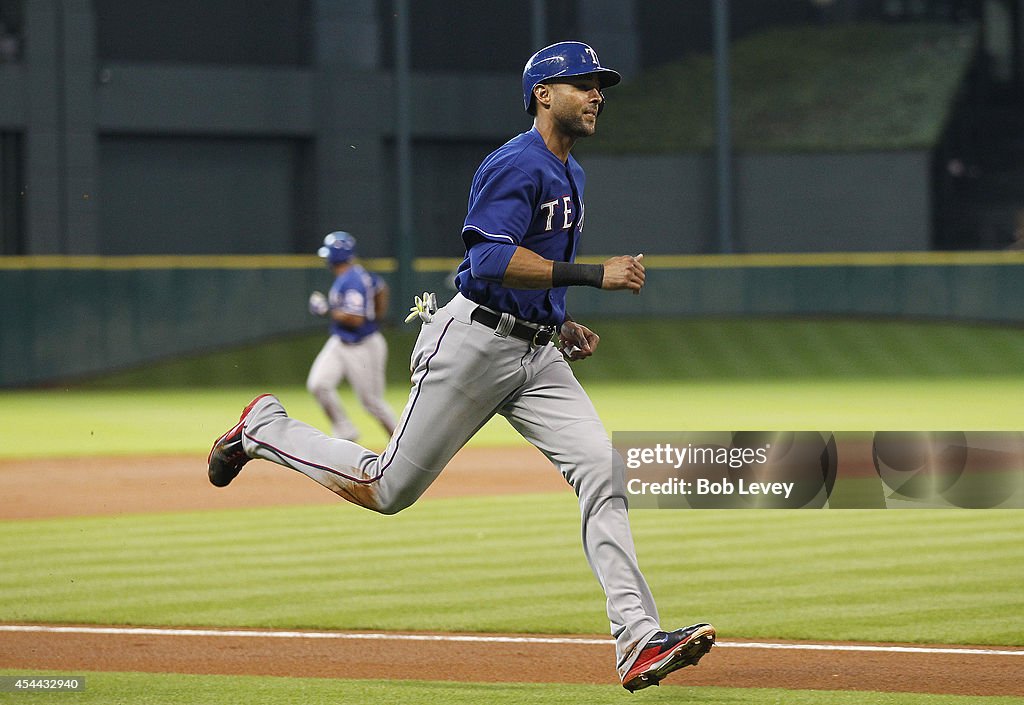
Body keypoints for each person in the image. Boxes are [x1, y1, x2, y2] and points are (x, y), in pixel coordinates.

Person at [207, 41, 714, 691]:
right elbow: (487, 264)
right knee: (386, 488)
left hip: (536, 353)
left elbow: (527, 269)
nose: (596, 95)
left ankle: (637, 639)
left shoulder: (573, 175)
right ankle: (264, 429)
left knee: (602, 469)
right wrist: (593, 275)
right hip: (472, 344)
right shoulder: (515, 164)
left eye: (599, 85)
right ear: (542, 95)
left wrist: (557, 320)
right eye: (583, 83)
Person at [305, 231, 398, 441]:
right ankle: (345, 431)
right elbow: (382, 288)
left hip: (363, 345)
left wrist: (326, 310)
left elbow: (355, 319)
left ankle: (404, 445)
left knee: (372, 402)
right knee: (319, 384)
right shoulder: (356, 275)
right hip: (341, 341)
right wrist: (378, 314)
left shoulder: (352, 280)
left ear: (335, 256)